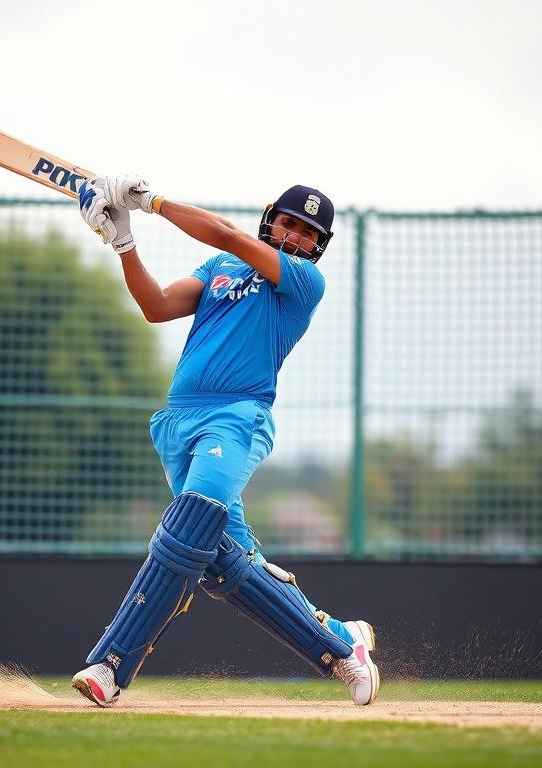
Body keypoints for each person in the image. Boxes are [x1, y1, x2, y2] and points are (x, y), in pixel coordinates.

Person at [69, 176, 379, 707]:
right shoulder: (218, 271)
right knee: (221, 563)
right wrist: (124, 242)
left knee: (188, 524)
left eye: (309, 233)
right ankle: (342, 644)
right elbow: (157, 306)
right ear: (271, 218)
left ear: (317, 247)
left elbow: (230, 236)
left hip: (237, 417)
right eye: (288, 223)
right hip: (179, 420)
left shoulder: (303, 282)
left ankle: (111, 664)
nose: (296, 237)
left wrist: (150, 203)